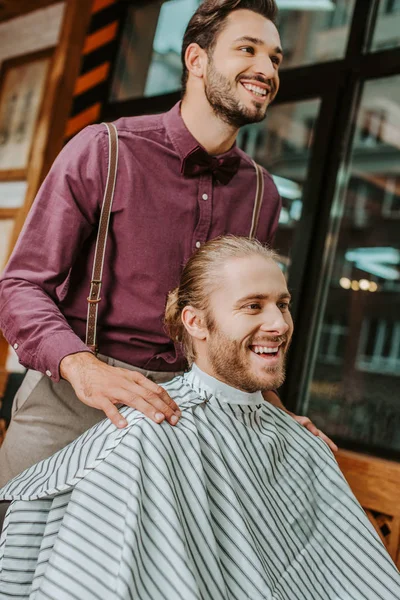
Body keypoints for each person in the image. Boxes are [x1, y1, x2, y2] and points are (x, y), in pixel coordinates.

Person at [0, 0, 335, 487]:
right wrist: (83, 368)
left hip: (185, 415)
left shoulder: (263, 194)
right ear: (195, 60)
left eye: (276, 58)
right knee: (14, 552)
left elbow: (238, 326)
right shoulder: (104, 149)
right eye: (248, 49)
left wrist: (276, 413)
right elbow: (20, 287)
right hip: (72, 398)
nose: (266, 69)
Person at [0, 236, 398, 600]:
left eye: (283, 304)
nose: (279, 324)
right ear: (195, 322)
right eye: (253, 306)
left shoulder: (302, 444)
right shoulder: (146, 438)